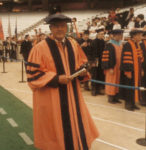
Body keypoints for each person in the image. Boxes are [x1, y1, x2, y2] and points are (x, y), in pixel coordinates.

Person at [26, 13, 99, 150]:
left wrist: (83, 70)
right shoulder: (39, 48)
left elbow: (81, 62)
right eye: (56, 26)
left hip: (72, 95)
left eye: (63, 26)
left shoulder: (73, 44)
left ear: (66, 28)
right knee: (54, 128)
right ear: (51, 28)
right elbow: (33, 75)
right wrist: (55, 78)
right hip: (51, 98)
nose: (60, 29)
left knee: (76, 123)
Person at [120, 29, 144, 111]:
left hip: (137, 70)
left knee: (134, 87)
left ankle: (133, 103)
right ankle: (128, 104)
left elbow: (140, 59)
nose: (141, 37)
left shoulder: (137, 45)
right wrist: (128, 71)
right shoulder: (128, 45)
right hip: (130, 70)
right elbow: (126, 59)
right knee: (129, 87)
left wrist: (141, 69)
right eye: (139, 35)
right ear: (134, 36)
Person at [101, 29, 123, 104]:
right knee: (111, 81)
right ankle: (110, 97)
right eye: (118, 35)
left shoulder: (120, 44)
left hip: (119, 67)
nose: (120, 36)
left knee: (117, 81)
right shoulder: (109, 44)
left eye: (120, 35)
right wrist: (110, 67)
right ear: (113, 36)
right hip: (112, 67)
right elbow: (106, 57)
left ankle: (116, 97)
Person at [91, 29, 105, 96]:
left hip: (101, 60)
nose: (102, 35)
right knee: (95, 74)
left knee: (100, 74)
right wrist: (93, 61)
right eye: (101, 34)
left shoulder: (103, 42)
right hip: (95, 60)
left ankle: (98, 89)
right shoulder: (94, 42)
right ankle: (93, 89)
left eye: (103, 34)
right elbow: (92, 52)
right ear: (98, 34)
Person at [140, 29, 146, 105]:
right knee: (144, 83)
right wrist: (142, 69)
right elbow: (141, 58)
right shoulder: (142, 45)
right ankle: (143, 100)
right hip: (145, 68)